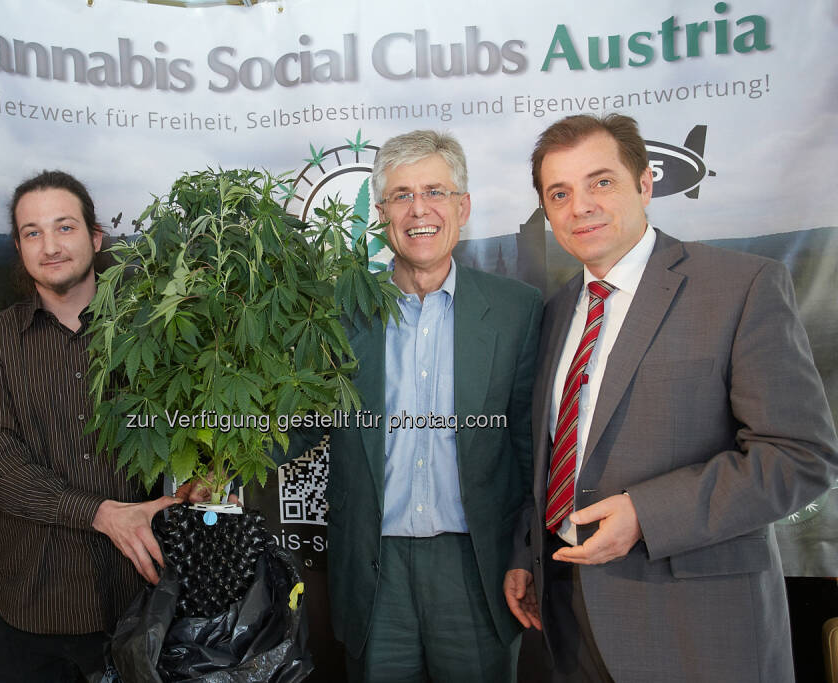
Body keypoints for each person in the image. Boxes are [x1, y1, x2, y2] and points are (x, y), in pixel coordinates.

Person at [504, 114, 838, 683]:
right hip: (567, 622)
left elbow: (800, 457)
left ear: (644, 184)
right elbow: (555, 455)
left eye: (601, 182)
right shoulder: (556, 312)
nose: (580, 206)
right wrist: (528, 553)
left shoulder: (740, 286)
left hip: (696, 630)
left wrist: (646, 514)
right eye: (559, 193)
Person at [280, 130, 543, 681]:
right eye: (401, 195)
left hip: (478, 570)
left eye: (435, 192)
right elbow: (299, 424)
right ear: (381, 215)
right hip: (374, 571)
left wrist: (526, 553)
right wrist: (224, 468)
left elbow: (529, 449)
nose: (418, 210)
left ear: (462, 207)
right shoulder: (334, 313)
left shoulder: (517, 310)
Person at [0, 170, 180, 682]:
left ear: (95, 237)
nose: (51, 246)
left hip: (142, 602)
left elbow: (190, 432)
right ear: (19, 248)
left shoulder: (156, 329)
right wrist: (100, 513)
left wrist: (202, 478)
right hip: (28, 607)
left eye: (64, 227)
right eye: (32, 232)